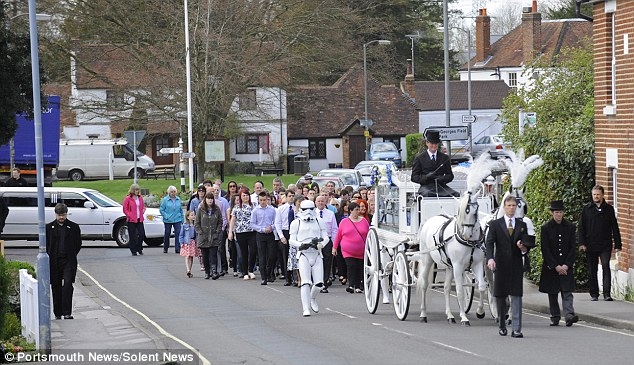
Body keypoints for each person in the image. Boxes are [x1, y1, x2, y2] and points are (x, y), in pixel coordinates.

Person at [485, 195, 533, 338]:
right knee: (501, 296)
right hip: (500, 264)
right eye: (509, 206)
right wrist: (490, 258)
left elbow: (527, 246)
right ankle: (502, 325)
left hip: (516, 265)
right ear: (504, 208)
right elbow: (489, 243)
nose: (511, 208)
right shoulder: (495, 224)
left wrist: (523, 247)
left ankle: (517, 329)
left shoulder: (522, 225)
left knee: (517, 296)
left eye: (514, 206)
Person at [539, 200, 578, 327]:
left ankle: (569, 315)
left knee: (567, 292)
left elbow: (573, 247)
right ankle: (555, 316)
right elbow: (545, 249)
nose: (559, 215)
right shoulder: (545, 228)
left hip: (566, 265)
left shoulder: (570, 227)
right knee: (553, 293)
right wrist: (555, 266)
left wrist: (567, 264)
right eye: (556, 212)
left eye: (561, 212)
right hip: (552, 267)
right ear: (552, 213)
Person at [578, 185, 621, 301]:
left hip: (605, 244)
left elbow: (614, 227)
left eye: (598, 194)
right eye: (594, 194)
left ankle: (607, 294)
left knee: (606, 266)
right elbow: (581, 227)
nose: (596, 196)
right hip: (590, 244)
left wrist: (618, 244)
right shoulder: (586, 209)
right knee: (592, 269)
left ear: (602, 195)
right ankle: (594, 294)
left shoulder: (609, 209)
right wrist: (582, 243)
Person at [289, 200, 330, 316]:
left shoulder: (319, 221)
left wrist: (322, 244)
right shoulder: (296, 223)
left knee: (319, 283)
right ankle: (305, 308)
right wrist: (300, 245)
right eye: (305, 209)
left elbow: (326, 236)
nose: (308, 212)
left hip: (316, 253)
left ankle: (312, 298)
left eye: (311, 209)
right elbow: (291, 239)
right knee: (305, 282)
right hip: (303, 254)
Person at [46, 203, 82, 320]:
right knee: (56, 286)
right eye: (59, 215)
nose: (61, 217)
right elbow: (46, 245)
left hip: (68, 261)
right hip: (54, 261)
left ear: (67, 214)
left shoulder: (74, 227)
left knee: (67, 285)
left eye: (63, 215)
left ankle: (67, 312)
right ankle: (58, 313)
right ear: (55, 214)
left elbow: (78, 244)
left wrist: (71, 255)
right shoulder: (49, 227)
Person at [333, 202, 369, 293]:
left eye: (358, 210)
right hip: (348, 251)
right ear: (351, 211)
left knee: (359, 267)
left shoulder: (364, 221)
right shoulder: (344, 222)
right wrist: (335, 247)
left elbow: (369, 234)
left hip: (361, 250)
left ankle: (357, 286)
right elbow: (338, 235)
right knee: (351, 266)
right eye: (356, 210)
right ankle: (351, 285)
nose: (358, 212)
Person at [411, 130, 459, 197]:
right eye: (432, 143)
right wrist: (426, 177)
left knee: (456, 195)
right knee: (429, 194)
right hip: (426, 187)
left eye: (436, 144)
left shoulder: (444, 158)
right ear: (427, 143)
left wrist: (442, 178)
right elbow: (414, 177)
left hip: (441, 186)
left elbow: (450, 175)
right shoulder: (419, 158)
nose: (434, 146)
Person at [228, 188, 257, 281]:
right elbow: (233, 219)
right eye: (243, 195)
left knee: (253, 251)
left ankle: (250, 270)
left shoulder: (254, 206)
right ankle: (245, 272)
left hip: (252, 231)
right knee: (243, 252)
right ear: (240, 197)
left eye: (247, 195)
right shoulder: (237, 207)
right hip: (240, 231)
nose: (245, 197)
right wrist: (230, 232)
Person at [251, 192, 278, 285]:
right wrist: (262, 229)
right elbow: (252, 223)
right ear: (258, 200)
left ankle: (269, 272)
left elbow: (276, 221)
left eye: (264, 200)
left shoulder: (272, 210)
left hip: (270, 234)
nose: (262, 202)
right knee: (262, 256)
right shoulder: (255, 211)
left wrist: (272, 227)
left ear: (267, 200)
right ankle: (264, 277)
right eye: (261, 200)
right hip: (260, 234)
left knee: (271, 256)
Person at [195, 192, 223, 280]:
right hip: (203, 237)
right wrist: (201, 232)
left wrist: (217, 231)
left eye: (211, 199)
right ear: (205, 200)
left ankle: (214, 271)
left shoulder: (217, 209)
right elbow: (197, 223)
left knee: (213, 254)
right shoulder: (201, 210)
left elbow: (220, 221)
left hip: (214, 236)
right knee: (205, 256)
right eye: (208, 198)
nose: (210, 200)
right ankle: (207, 272)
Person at [315, 195, 338, 293]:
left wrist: (333, 243)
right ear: (315, 202)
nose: (320, 203)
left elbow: (334, 229)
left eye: (322, 201)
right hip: (315, 240)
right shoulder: (312, 214)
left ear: (325, 202)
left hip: (327, 240)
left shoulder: (330, 214)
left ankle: (324, 282)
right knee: (316, 262)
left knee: (327, 262)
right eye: (318, 201)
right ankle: (316, 281)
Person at [122, 183, 146, 256]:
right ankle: (133, 250)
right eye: (136, 190)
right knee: (133, 236)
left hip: (139, 219)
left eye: (138, 190)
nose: (137, 191)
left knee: (142, 234)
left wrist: (143, 210)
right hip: (131, 220)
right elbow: (125, 209)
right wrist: (130, 215)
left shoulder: (140, 197)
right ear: (133, 190)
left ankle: (139, 247)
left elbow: (143, 206)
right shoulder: (128, 198)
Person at [159, 186, 184, 254]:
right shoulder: (165, 200)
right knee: (167, 233)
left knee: (178, 233)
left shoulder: (178, 199)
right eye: (172, 192)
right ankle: (166, 247)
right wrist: (166, 216)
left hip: (177, 219)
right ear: (169, 192)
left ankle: (177, 248)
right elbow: (161, 209)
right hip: (168, 219)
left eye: (174, 192)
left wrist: (182, 219)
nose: (173, 193)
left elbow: (180, 210)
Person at [180, 210, 200, 278]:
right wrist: (181, 242)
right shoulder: (185, 225)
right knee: (187, 256)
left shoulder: (195, 225)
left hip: (193, 242)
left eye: (194, 215)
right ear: (188, 217)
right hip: (187, 242)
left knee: (191, 256)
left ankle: (190, 270)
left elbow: (197, 234)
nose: (193, 216)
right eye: (191, 215)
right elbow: (181, 235)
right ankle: (187, 269)